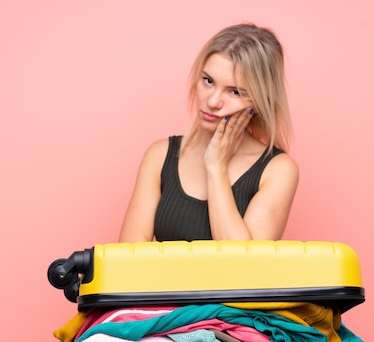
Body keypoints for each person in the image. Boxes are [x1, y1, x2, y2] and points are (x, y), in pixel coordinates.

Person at [119, 23, 299, 243]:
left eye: (234, 92)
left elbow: (246, 266)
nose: (213, 101)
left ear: (261, 102)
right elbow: (128, 259)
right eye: (208, 81)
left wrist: (216, 167)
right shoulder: (159, 156)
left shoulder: (278, 170)